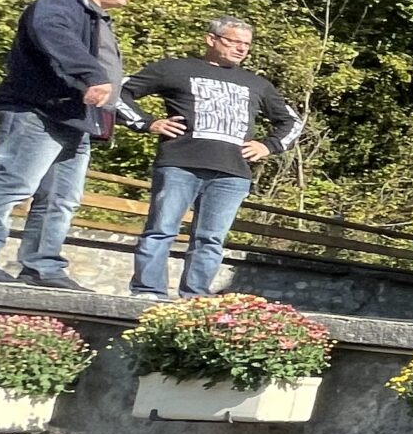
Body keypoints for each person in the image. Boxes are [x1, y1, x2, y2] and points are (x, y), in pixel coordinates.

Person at [0, 0, 137, 290]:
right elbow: (53, 33)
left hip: (75, 118)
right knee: (11, 185)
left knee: (61, 197)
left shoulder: (94, 17)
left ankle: (42, 267)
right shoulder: (60, 3)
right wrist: (91, 74)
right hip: (39, 110)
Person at [119, 18, 305, 298]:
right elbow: (118, 92)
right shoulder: (175, 69)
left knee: (211, 239)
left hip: (233, 173)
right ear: (211, 39)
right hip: (179, 165)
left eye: (246, 44)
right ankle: (148, 292)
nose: (241, 49)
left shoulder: (257, 84)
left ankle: (196, 298)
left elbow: (292, 121)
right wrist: (147, 123)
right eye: (234, 41)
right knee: (161, 229)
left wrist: (269, 145)